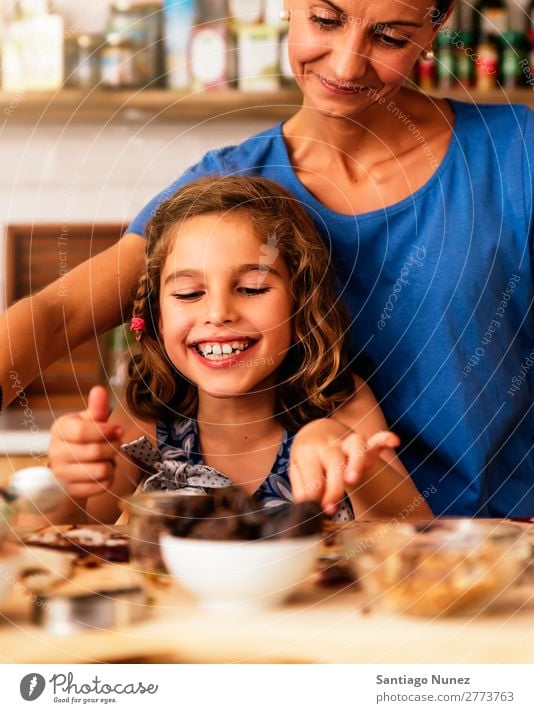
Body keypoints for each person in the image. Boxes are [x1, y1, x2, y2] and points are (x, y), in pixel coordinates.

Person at [2, 0, 533, 516]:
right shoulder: (224, 190)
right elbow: (57, 313)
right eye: (324, 18)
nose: (345, 64)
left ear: (438, 20)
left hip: (504, 560)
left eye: (390, 36)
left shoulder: (518, 155)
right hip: (323, 567)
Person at [47, 176, 429, 524]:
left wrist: (353, 463)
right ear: (158, 318)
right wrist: (75, 475)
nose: (218, 313)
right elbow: (73, 532)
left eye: (251, 289)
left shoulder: (340, 403)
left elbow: (413, 535)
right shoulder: (148, 413)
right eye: (189, 294)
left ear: (301, 306)